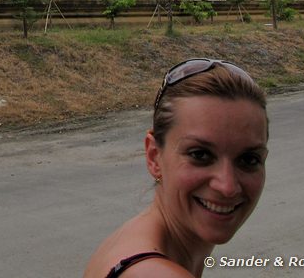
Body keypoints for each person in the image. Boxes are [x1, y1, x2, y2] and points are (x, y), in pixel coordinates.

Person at [83, 58, 269, 278]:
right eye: (199, 155)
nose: (227, 186)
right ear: (154, 156)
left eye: (248, 159)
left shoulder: (132, 245)